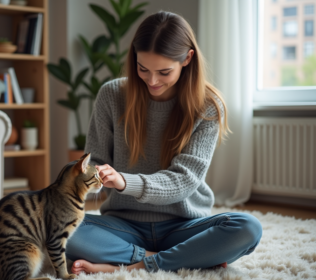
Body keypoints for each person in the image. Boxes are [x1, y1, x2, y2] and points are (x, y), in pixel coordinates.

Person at [66, 11, 262, 275]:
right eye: (143, 68)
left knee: (248, 228)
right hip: (123, 225)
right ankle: (169, 259)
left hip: (184, 225)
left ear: (187, 59)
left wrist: (125, 181)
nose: (152, 80)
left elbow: (183, 181)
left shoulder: (209, 106)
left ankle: (130, 264)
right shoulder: (111, 95)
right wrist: (89, 174)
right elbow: (96, 161)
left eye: (164, 71)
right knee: (54, 226)